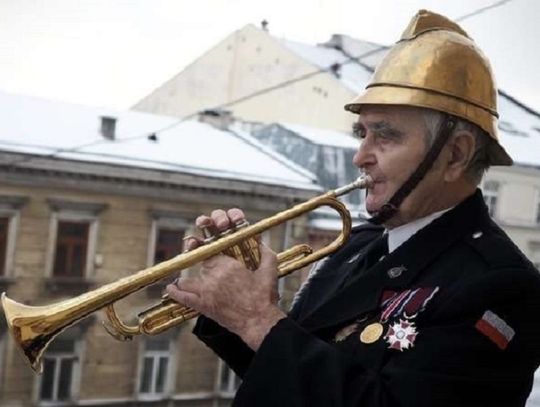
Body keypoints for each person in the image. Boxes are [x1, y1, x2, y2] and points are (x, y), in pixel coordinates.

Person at [166, 10, 540, 406]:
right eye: (362, 133)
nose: (360, 156)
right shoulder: (358, 243)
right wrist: (231, 310)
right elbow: (297, 378)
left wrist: (257, 319)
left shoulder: (501, 286)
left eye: (386, 136)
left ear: (455, 155)